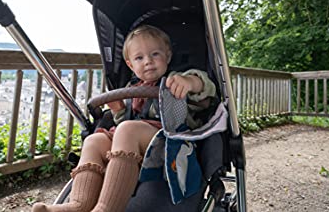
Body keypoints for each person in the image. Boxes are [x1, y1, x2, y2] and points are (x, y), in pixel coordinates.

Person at [32, 25, 216, 212]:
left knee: (127, 129)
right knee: (94, 141)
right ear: (130, 65)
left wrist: (191, 82)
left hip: (171, 141)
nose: (148, 62)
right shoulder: (131, 88)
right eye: (139, 58)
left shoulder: (175, 80)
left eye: (155, 54)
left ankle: (105, 208)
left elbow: (205, 87)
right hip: (135, 141)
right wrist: (120, 111)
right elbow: (123, 128)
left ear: (168, 56)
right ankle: (79, 204)